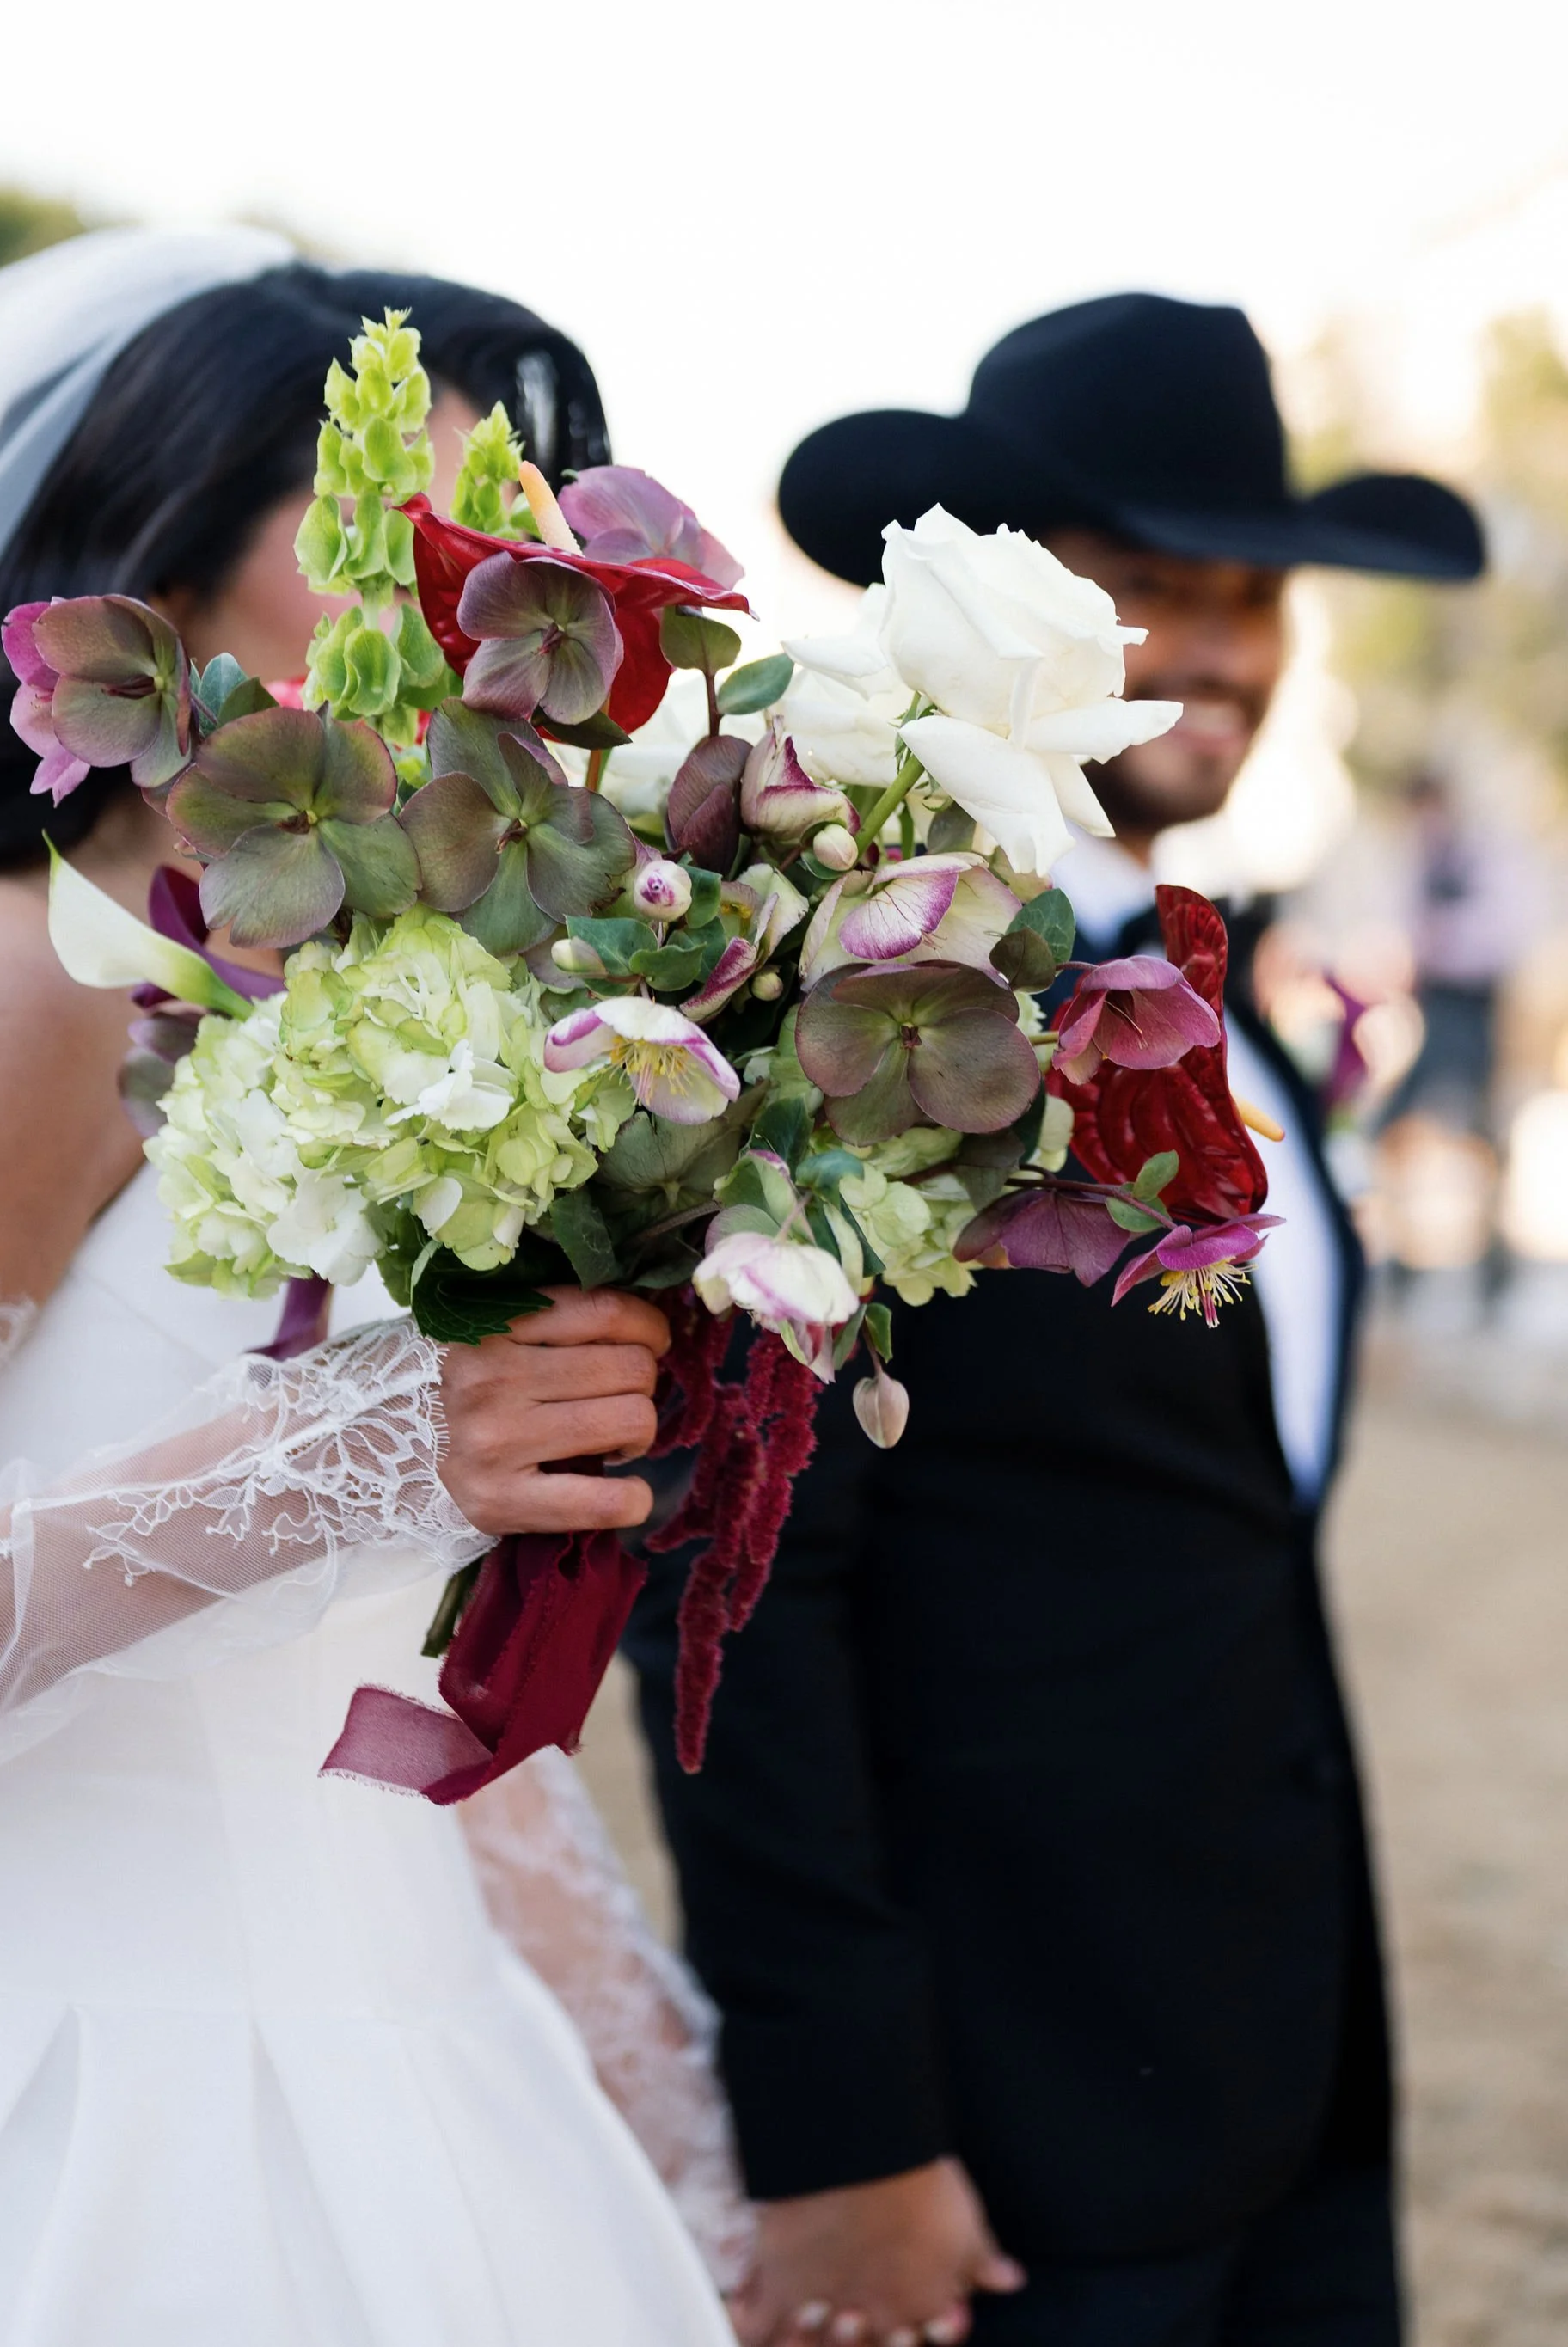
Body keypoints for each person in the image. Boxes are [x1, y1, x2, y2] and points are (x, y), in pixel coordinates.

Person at [0, 230, 739, 2345]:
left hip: (423, 2098)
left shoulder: (398, 1010)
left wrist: (685, 2136)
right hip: (52, 2139)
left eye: (505, 565)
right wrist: (329, 1463)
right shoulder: (5, 979)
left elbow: (362, 1703)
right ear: (158, 572)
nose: (469, 625)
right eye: (385, 548)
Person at [628, 292, 1485, 2347]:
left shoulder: (1220, 981)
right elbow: (735, 1599)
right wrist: (838, 2135)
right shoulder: (833, 1009)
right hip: (1001, 2138)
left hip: (1277, 2070)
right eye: (1143, 588)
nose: (1220, 652)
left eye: (1254, 597)